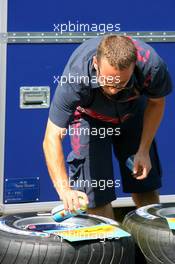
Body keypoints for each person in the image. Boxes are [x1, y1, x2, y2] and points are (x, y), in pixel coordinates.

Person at [43, 35, 172, 220]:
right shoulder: (75, 78)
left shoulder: (152, 66)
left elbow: (157, 103)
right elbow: (51, 137)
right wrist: (64, 190)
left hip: (133, 113)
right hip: (89, 118)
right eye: (108, 81)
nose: (113, 89)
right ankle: (109, 246)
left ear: (134, 66)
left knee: (145, 186)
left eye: (121, 83)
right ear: (96, 63)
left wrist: (143, 150)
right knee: (96, 197)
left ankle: (150, 243)